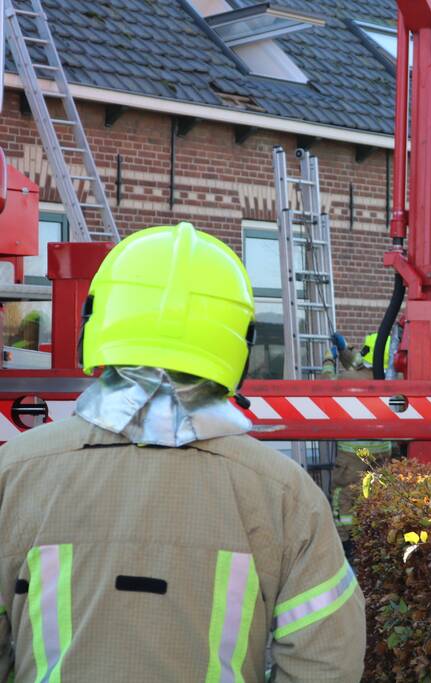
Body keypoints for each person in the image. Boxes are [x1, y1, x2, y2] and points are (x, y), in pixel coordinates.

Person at [0, 222, 365, 681]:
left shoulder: (14, 471)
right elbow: (327, 659)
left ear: (98, 322)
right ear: (239, 344)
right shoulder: (285, 493)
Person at [321, 331, 394, 552]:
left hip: (353, 455)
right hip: (382, 453)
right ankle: (372, 545)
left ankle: (346, 544)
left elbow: (326, 385)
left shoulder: (349, 380)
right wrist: (345, 350)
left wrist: (328, 360)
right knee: (374, 496)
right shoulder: (392, 380)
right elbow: (360, 363)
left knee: (345, 496)